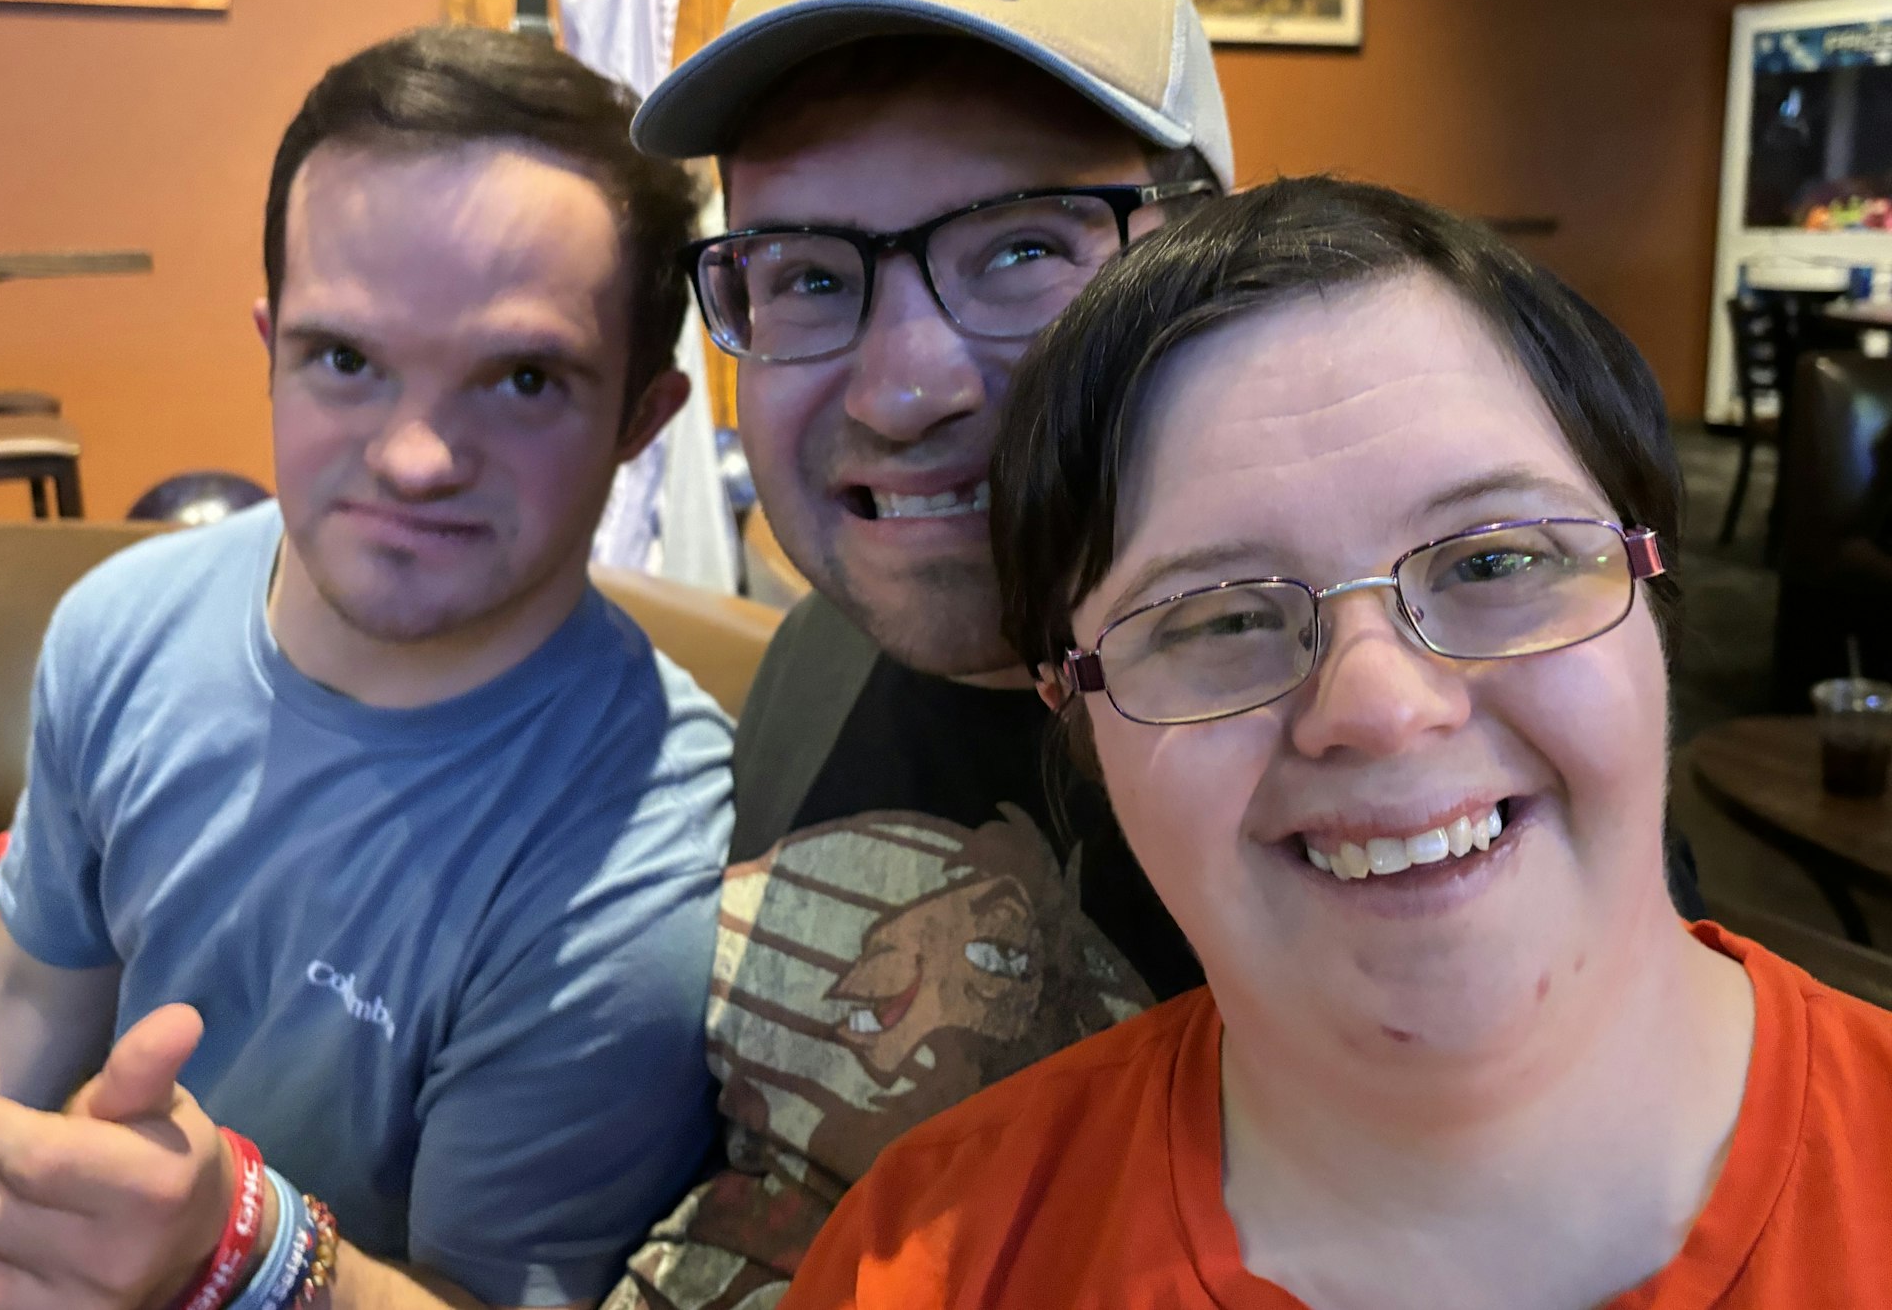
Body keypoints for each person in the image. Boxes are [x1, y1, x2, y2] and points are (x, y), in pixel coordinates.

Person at [784, 176, 1892, 1309]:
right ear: (1076, 720)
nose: (1379, 703)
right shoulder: (930, 1266)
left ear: (1649, 588)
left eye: (1493, 561)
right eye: (1216, 619)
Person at [0, 27, 734, 1310]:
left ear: (640, 420)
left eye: (520, 379)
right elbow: (30, 981)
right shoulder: (121, 627)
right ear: (271, 346)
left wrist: (236, 1251)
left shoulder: (632, 867)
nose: (413, 459)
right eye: (345, 360)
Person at [603, 0, 1233, 1308]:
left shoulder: (1400, 772)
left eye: (1020, 248)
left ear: (1212, 258)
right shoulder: (822, 652)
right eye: (811, 275)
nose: (901, 390)